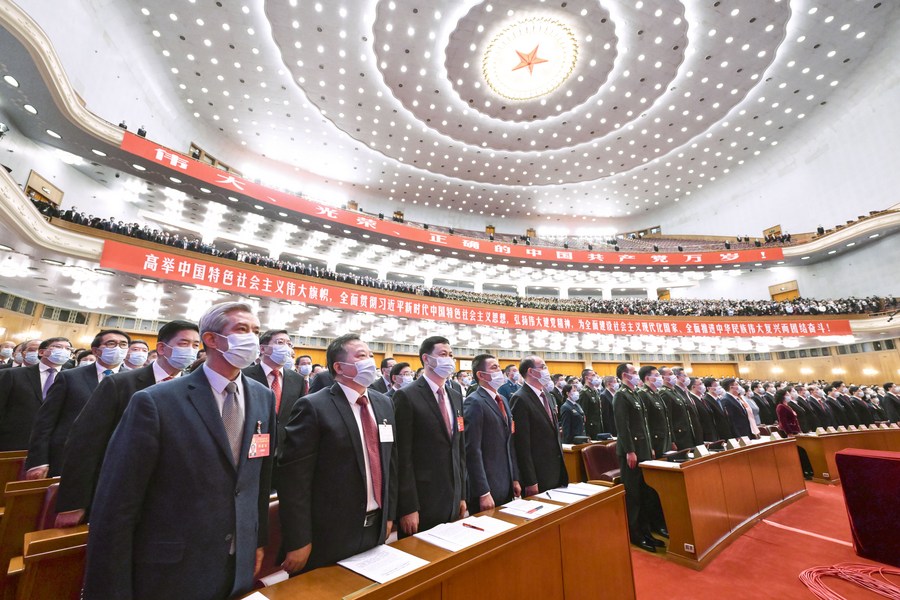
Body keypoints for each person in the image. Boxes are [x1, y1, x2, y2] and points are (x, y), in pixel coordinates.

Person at [83, 302, 275, 599]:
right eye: (241, 329)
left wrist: (256, 541)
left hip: (238, 559)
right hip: (175, 565)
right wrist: (111, 588)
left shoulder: (262, 396)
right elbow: (118, 500)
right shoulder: (156, 401)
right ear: (211, 339)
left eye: (255, 331)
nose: (251, 337)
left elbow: (257, 480)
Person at [55, 321, 201, 526]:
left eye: (195, 345)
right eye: (184, 343)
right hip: (115, 491)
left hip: (165, 499)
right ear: (161, 348)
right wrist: (73, 503)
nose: (191, 350)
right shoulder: (119, 384)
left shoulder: (195, 388)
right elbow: (84, 443)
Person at [278, 333, 397, 573]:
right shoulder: (313, 406)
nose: (370, 361)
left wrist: (389, 514)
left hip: (375, 525)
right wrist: (299, 540)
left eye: (371, 355)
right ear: (339, 367)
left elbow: (390, 463)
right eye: (361, 356)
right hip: (330, 531)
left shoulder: (383, 403)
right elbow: (294, 480)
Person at [25, 329, 131, 479]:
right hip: (68, 456)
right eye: (111, 343)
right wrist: (39, 460)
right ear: (96, 350)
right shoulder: (70, 377)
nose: (118, 348)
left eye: (123, 344)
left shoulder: (134, 380)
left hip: (111, 460)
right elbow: (45, 420)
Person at [394, 336, 467, 536]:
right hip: (423, 498)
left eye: (451, 355)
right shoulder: (406, 395)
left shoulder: (455, 395)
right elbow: (402, 457)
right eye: (443, 354)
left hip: (452, 495)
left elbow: (459, 448)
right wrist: (408, 506)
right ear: (426, 359)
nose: (449, 359)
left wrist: (462, 494)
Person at [613, 363, 664, 553]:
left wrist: (649, 447)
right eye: (633, 372)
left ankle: (646, 532)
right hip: (631, 452)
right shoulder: (621, 395)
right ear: (624, 375)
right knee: (633, 495)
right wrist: (630, 450)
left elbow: (643, 425)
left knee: (644, 493)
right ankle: (635, 534)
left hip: (643, 449)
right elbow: (622, 426)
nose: (636, 375)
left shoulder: (634, 394)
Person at [463, 354, 520, 512]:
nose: (499, 372)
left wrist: (515, 478)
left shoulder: (503, 400)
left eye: (499, 367)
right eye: (494, 368)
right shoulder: (474, 401)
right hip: (488, 486)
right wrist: (483, 491)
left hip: (506, 481)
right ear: (481, 375)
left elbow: (509, 443)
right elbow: (472, 450)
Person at [510, 356, 567, 496]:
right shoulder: (520, 398)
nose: (547, 370)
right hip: (538, 474)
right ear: (531, 371)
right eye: (543, 367)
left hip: (556, 470)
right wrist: (530, 480)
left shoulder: (547, 395)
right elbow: (521, 445)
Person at [0, 337, 69, 451]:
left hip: (51, 445)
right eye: (58, 347)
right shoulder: (11, 374)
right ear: (41, 352)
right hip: (12, 441)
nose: (63, 351)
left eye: (68, 349)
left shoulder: (72, 378)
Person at [243, 330, 306, 453]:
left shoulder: (297, 379)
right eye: (280, 342)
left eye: (289, 344)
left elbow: (299, 414)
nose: (286, 348)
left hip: (286, 445)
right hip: (252, 443)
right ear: (262, 349)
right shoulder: (245, 375)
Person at [775, 388, 814, 479]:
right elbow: (783, 421)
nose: (789, 396)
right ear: (782, 396)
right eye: (787, 394)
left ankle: (807, 471)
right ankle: (804, 472)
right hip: (790, 432)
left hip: (796, 430)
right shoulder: (780, 406)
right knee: (799, 451)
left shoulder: (787, 405)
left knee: (802, 451)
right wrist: (789, 433)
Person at [638, 366, 674, 457]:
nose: (660, 378)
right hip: (655, 441)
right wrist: (650, 447)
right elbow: (645, 423)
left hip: (664, 440)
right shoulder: (643, 394)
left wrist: (671, 440)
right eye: (657, 375)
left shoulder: (656, 393)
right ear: (647, 378)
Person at [578, 369, 605, 440]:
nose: (596, 377)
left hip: (598, 425)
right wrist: (586, 432)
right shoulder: (584, 393)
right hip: (590, 427)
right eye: (593, 375)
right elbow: (583, 413)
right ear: (587, 378)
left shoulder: (594, 391)